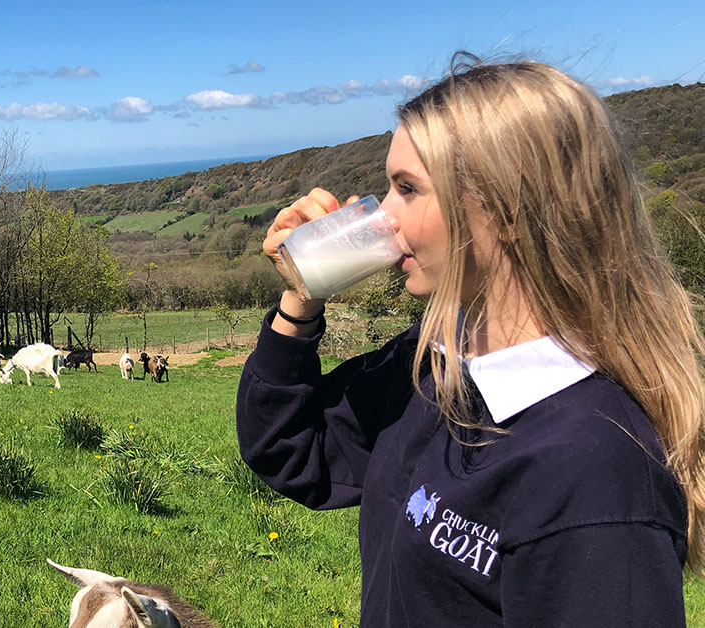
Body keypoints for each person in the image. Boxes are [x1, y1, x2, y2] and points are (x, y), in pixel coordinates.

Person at [237, 54, 705, 627]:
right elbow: (294, 453)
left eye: (407, 189)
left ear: (507, 209)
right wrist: (302, 297)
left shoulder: (595, 472)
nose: (382, 217)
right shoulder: (435, 362)